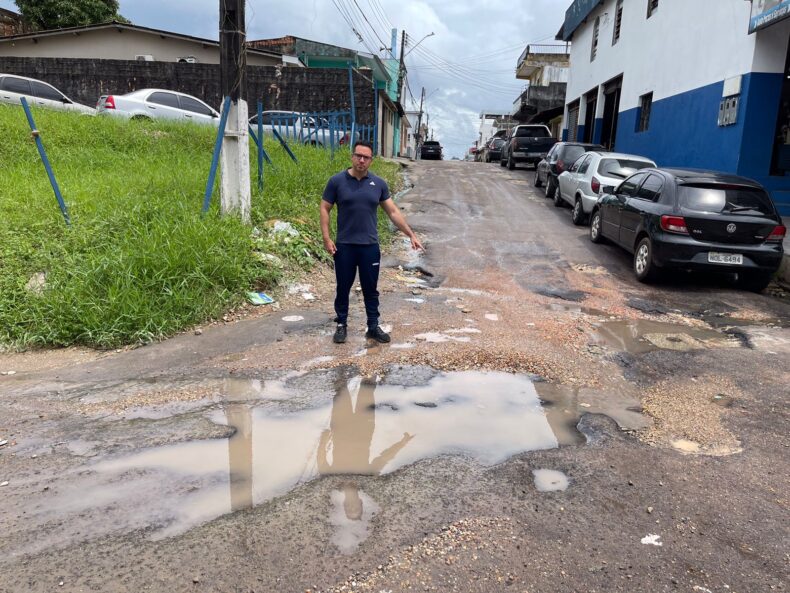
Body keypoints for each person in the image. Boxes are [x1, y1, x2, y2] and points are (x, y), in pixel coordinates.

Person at [320, 140, 423, 344]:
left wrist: (410, 234)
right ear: (352, 156)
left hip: (369, 247)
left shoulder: (378, 184)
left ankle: (373, 326)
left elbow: (393, 211)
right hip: (345, 246)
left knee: (370, 288)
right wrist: (326, 238)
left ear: (371, 160)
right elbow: (325, 208)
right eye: (358, 155)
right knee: (343, 287)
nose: (361, 160)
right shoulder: (336, 181)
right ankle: (341, 324)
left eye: (366, 157)